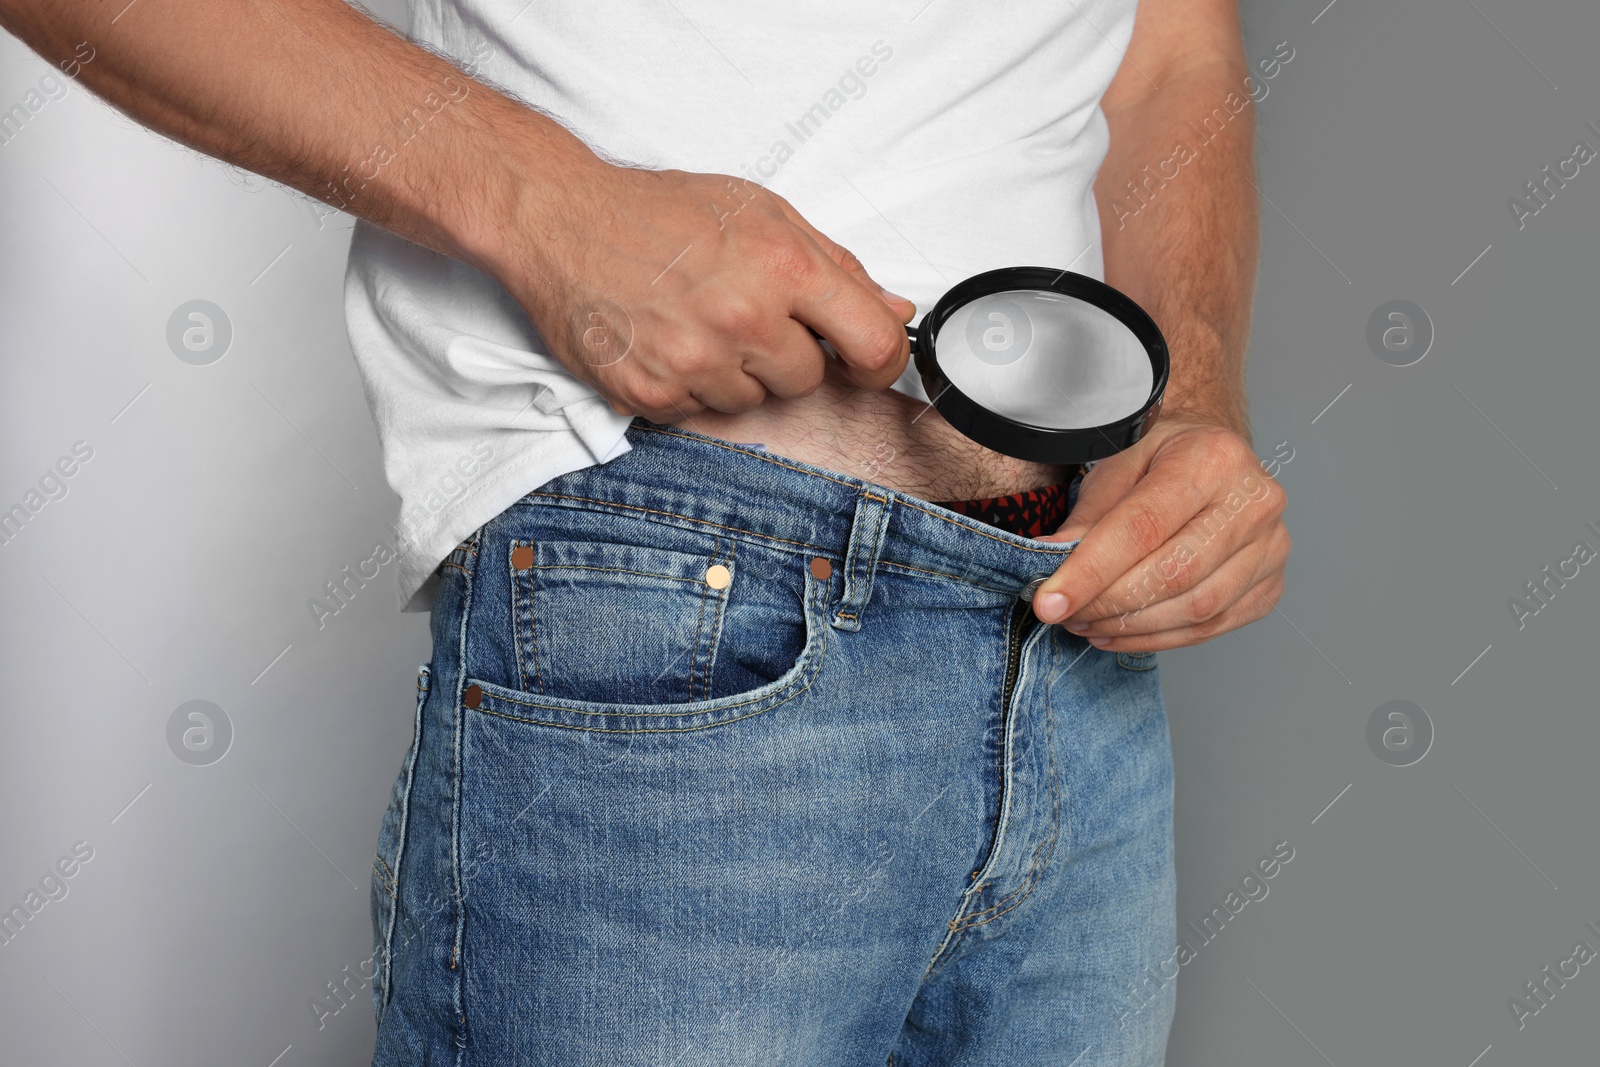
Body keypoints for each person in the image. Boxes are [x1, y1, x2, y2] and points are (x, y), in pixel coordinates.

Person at [1, 0, 1289, 1061]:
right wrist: (548, 203)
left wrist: (1189, 404)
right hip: (678, 592)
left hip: (1076, 642)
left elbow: (1168, 47)